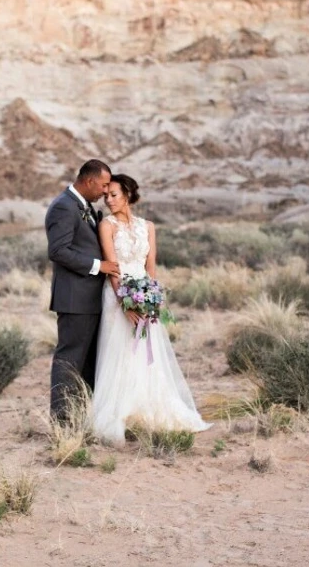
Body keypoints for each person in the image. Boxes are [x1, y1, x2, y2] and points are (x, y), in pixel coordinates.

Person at [92, 174, 210, 443]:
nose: (108, 200)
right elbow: (112, 267)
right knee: (120, 351)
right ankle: (121, 413)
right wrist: (125, 304)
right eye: (106, 195)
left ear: (129, 195)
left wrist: (152, 299)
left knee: (147, 354)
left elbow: (151, 266)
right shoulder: (106, 226)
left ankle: (147, 410)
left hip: (143, 293)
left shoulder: (148, 226)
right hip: (118, 294)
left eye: (114, 195)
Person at [45, 159, 120, 420]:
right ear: (89, 181)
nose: (104, 192)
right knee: (70, 358)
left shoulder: (83, 206)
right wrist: (99, 266)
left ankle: (85, 414)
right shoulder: (63, 207)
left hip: (90, 299)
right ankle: (63, 419)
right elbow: (58, 251)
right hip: (75, 299)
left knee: (88, 361)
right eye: (102, 185)